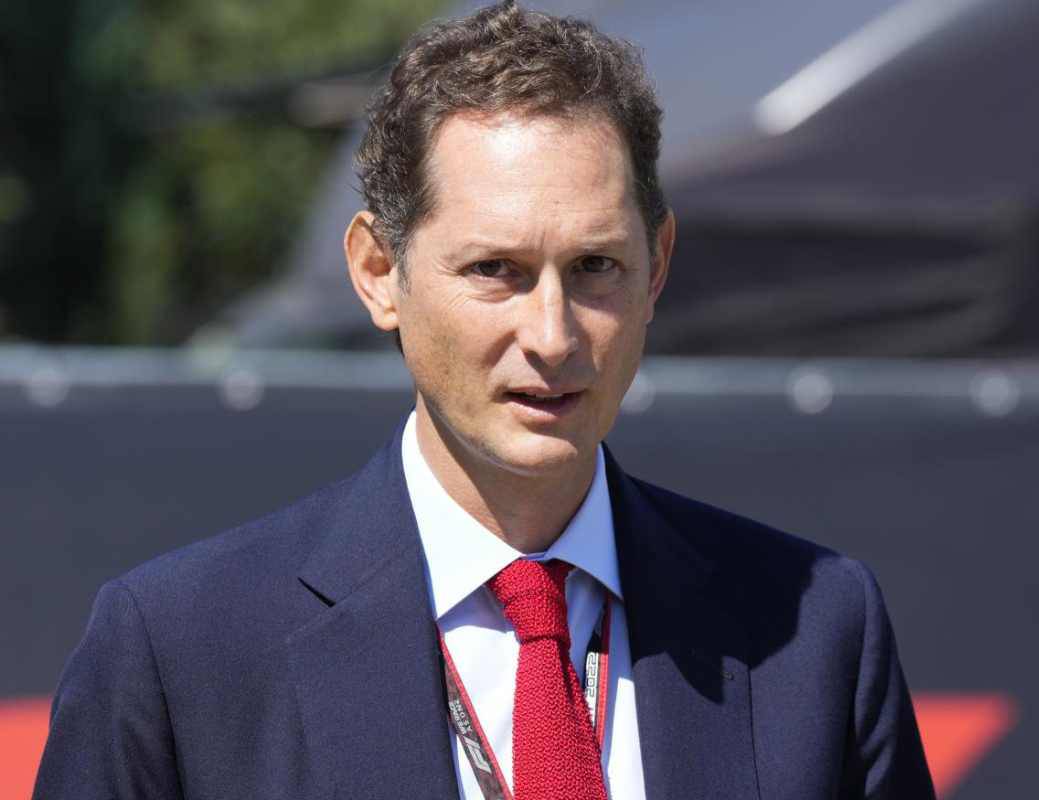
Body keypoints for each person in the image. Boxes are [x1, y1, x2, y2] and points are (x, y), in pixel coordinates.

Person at [34, 3, 935, 798]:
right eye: (495, 269)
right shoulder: (182, 651)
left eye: (595, 266)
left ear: (657, 266)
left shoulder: (813, 632)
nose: (552, 334)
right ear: (378, 272)